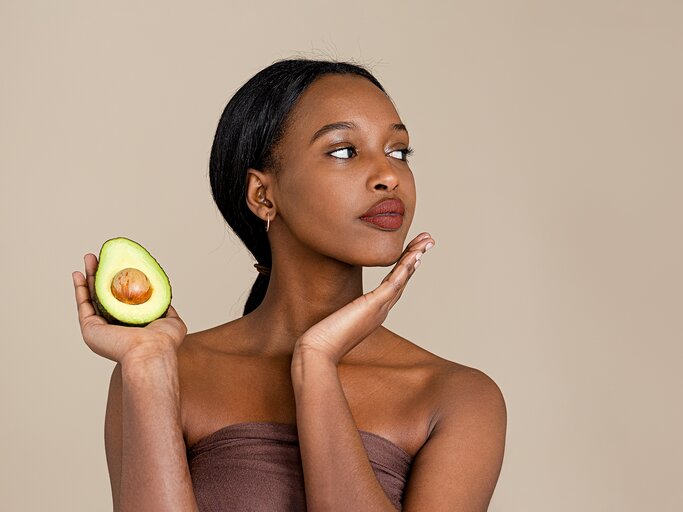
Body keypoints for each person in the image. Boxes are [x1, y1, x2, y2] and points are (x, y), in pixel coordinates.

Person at [72, 58, 507, 512]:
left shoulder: (456, 396)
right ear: (263, 195)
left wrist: (317, 362)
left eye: (399, 152)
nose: (388, 175)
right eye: (344, 151)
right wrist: (147, 367)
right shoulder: (166, 371)